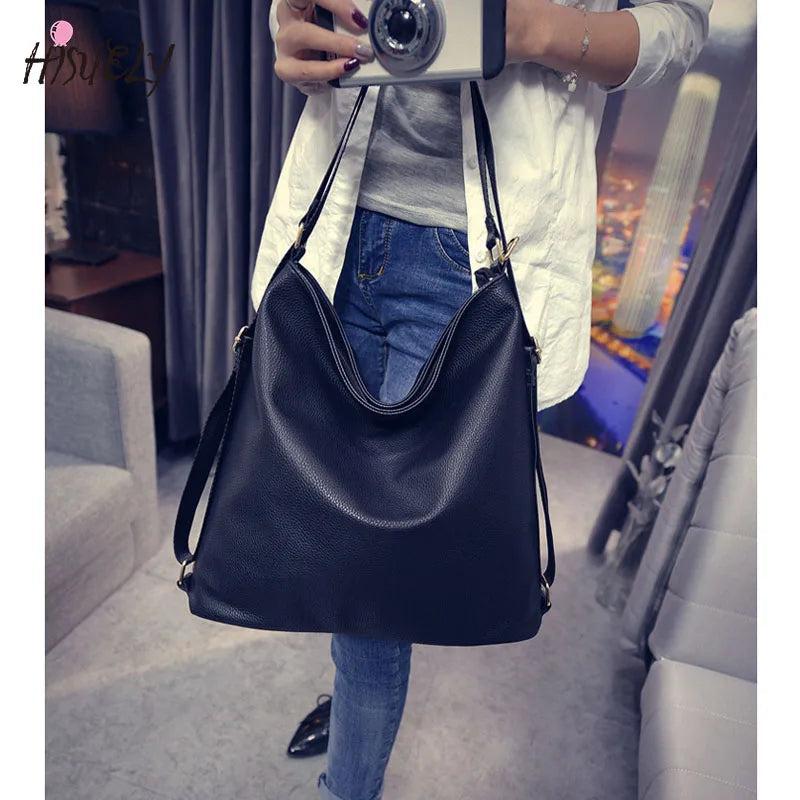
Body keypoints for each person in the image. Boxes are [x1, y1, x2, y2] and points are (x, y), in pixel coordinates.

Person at [252, 1, 712, 797]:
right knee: (328, 514)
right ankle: (354, 688)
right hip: (336, 216)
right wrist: (291, 25)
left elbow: (677, 24)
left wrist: (530, 30)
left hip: (467, 259)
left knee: (379, 572)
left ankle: (348, 780)